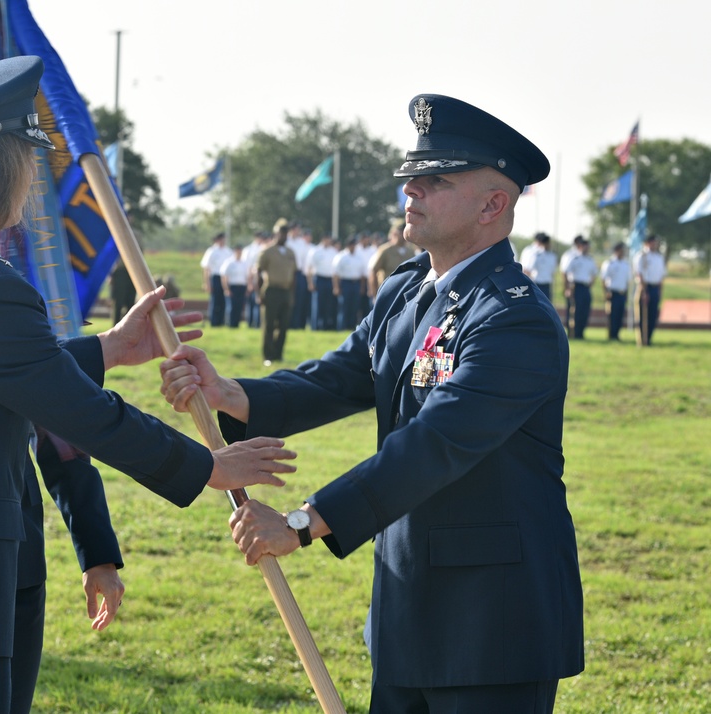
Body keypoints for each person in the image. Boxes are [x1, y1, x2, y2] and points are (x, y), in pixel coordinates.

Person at [0, 56, 295, 713]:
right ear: (0, 169)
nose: (35, 176)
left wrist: (107, 347)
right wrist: (206, 467)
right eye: (27, 159)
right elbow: (83, 414)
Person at [162, 94, 584, 714]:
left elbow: (434, 444)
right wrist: (232, 394)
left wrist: (304, 524)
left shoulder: (514, 318)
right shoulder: (406, 291)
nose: (410, 192)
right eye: (410, 179)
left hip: (492, 623)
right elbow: (338, 379)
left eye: (434, 181)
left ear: (494, 205)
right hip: (406, 608)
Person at [255, 218, 297, 366]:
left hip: (285, 291)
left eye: (286, 233)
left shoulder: (291, 252)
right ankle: (268, 356)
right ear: (275, 233)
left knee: (284, 325)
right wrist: (259, 294)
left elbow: (293, 275)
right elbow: (259, 272)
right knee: (269, 325)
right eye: (281, 232)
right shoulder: (267, 251)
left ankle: (279, 355)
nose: (284, 236)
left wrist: (292, 294)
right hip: (271, 290)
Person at [367, 218, 414, 303]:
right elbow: (373, 271)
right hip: (387, 294)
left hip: (405, 294)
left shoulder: (410, 252)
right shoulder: (385, 250)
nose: (403, 233)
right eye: (400, 230)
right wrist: (375, 295)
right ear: (394, 232)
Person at [561, 235, 598, 339]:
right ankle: (572, 333)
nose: (587, 248)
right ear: (580, 246)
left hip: (585, 287)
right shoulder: (574, 258)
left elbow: (594, 273)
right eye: (584, 246)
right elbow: (565, 272)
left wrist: (591, 283)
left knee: (584, 310)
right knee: (574, 311)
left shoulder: (590, 259)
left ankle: (581, 333)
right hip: (575, 286)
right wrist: (567, 288)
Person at [634, 234, 666, 346]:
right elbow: (639, 274)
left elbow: (661, 276)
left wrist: (660, 290)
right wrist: (644, 291)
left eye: (655, 242)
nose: (654, 244)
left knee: (652, 315)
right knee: (643, 316)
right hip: (645, 287)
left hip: (655, 287)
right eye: (652, 242)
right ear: (647, 243)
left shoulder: (659, 257)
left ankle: (649, 339)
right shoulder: (642, 256)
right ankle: (641, 340)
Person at [332, 237, 367, 330]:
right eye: (352, 245)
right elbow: (336, 274)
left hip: (356, 283)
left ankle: (352, 326)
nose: (354, 247)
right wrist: (336, 287)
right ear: (348, 245)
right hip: (345, 283)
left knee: (355, 306)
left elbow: (363, 274)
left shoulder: (359, 257)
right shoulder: (341, 256)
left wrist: (362, 287)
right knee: (344, 306)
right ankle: (342, 327)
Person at [306, 233, 338, 330]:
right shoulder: (315, 250)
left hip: (329, 280)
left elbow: (335, 270)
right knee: (318, 304)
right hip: (319, 279)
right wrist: (310, 283)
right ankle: (316, 326)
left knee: (328, 304)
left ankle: (326, 326)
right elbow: (309, 268)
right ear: (323, 239)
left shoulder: (333, 251)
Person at [601, 241, 630, 341]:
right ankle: (611, 334)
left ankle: (617, 334)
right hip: (612, 292)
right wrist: (606, 292)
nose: (623, 252)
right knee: (612, 315)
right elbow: (604, 279)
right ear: (617, 251)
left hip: (622, 293)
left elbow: (627, 281)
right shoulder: (610, 263)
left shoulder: (626, 264)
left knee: (620, 315)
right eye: (622, 250)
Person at [200, 232, 230, 326]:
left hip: (225, 278)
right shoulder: (212, 251)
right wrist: (207, 283)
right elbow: (206, 268)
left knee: (223, 301)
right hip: (215, 277)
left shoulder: (228, 251)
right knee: (215, 300)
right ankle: (214, 321)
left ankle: (221, 321)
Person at [520, 231, 558, 301]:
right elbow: (526, 270)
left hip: (547, 284)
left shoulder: (551, 255)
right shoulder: (531, 252)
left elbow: (552, 271)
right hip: (535, 283)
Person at [287, 223, 311, 329]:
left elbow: (306, 260)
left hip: (299, 273)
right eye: (296, 230)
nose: (297, 232)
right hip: (288, 273)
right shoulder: (286, 242)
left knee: (299, 299)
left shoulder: (302, 243)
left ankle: (297, 324)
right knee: (288, 299)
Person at [220, 244, 248, 328]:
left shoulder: (244, 263)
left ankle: (236, 324)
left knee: (239, 306)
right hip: (233, 286)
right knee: (232, 306)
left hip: (242, 286)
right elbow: (224, 276)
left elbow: (247, 276)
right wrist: (226, 289)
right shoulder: (229, 262)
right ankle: (230, 323)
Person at [108, 258, 135, 325]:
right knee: (118, 304)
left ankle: (129, 327)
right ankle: (115, 327)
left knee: (130, 304)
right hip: (119, 271)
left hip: (133, 271)